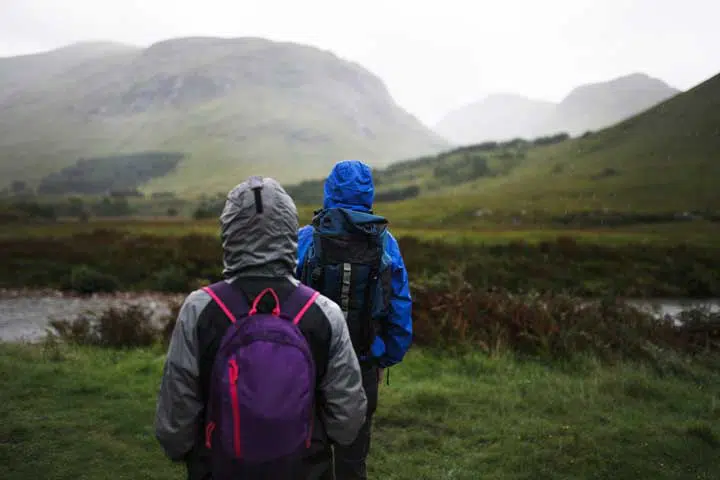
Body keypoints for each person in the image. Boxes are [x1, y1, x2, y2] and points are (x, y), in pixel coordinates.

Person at [155, 176, 367, 480]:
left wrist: (185, 451)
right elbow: (347, 420)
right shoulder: (324, 312)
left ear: (229, 230)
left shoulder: (200, 308)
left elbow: (176, 416)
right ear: (288, 231)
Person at [296, 160, 413, 479]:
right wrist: (385, 357)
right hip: (363, 362)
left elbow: (285, 298)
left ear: (329, 190)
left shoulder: (306, 238)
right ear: (369, 193)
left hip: (308, 365)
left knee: (309, 453)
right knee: (352, 457)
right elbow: (399, 305)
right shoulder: (386, 242)